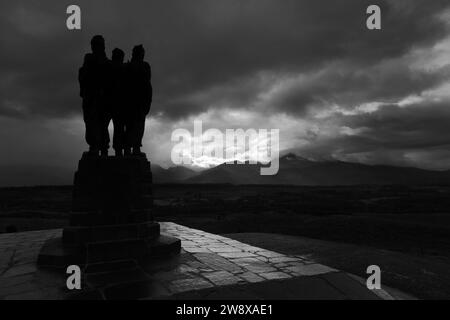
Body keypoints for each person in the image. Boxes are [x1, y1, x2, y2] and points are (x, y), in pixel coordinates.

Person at [78, 35, 111, 156]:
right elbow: (83, 76)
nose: (93, 48)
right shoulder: (90, 59)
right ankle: (97, 146)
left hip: (101, 100)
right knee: (93, 123)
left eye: (95, 45)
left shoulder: (105, 63)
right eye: (93, 45)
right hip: (92, 98)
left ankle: (101, 147)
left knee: (100, 124)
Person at [125, 45, 152, 156]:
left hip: (139, 101)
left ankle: (134, 147)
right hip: (133, 101)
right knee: (132, 126)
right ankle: (130, 147)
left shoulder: (144, 66)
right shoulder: (130, 66)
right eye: (141, 52)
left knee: (137, 126)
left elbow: (147, 84)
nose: (142, 54)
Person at [108, 48, 127, 157]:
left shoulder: (109, 66)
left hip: (113, 102)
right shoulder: (122, 68)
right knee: (119, 128)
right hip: (115, 103)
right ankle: (118, 150)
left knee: (118, 128)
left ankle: (115, 149)